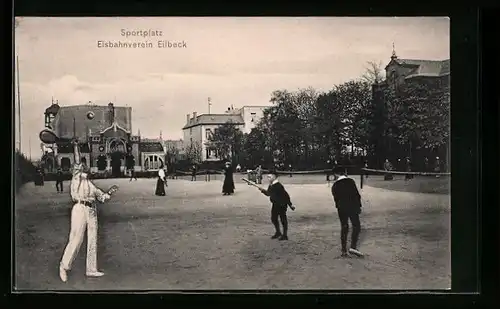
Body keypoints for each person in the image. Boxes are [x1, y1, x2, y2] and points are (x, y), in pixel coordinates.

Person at [59, 139, 118, 282]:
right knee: (76, 238)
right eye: (82, 165)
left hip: (92, 211)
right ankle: (64, 266)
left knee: (92, 239)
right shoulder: (76, 178)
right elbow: (77, 160)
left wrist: (109, 192)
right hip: (79, 208)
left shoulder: (91, 185)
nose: (84, 166)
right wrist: (76, 147)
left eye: (85, 165)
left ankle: (91, 269)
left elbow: (102, 197)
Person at [331, 172, 363, 257]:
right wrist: (358, 206)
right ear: (345, 174)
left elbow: (336, 199)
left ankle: (344, 250)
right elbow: (357, 195)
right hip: (352, 206)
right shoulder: (351, 181)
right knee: (356, 226)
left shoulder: (334, 186)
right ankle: (353, 246)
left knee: (344, 227)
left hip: (342, 208)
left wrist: (339, 207)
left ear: (336, 175)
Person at [259, 171, 295, 241]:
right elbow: (268, 194)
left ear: (274, 177)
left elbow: (286, 196)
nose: (268, 178)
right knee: (274, 218)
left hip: (282, 204)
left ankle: (285, 235)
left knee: (283, 219)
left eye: (270, 177)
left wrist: (290, 205)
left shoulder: (279, 186)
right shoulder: (271, 185)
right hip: (275, 204)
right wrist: (262, 190)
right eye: (268, 177)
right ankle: (278, 232)